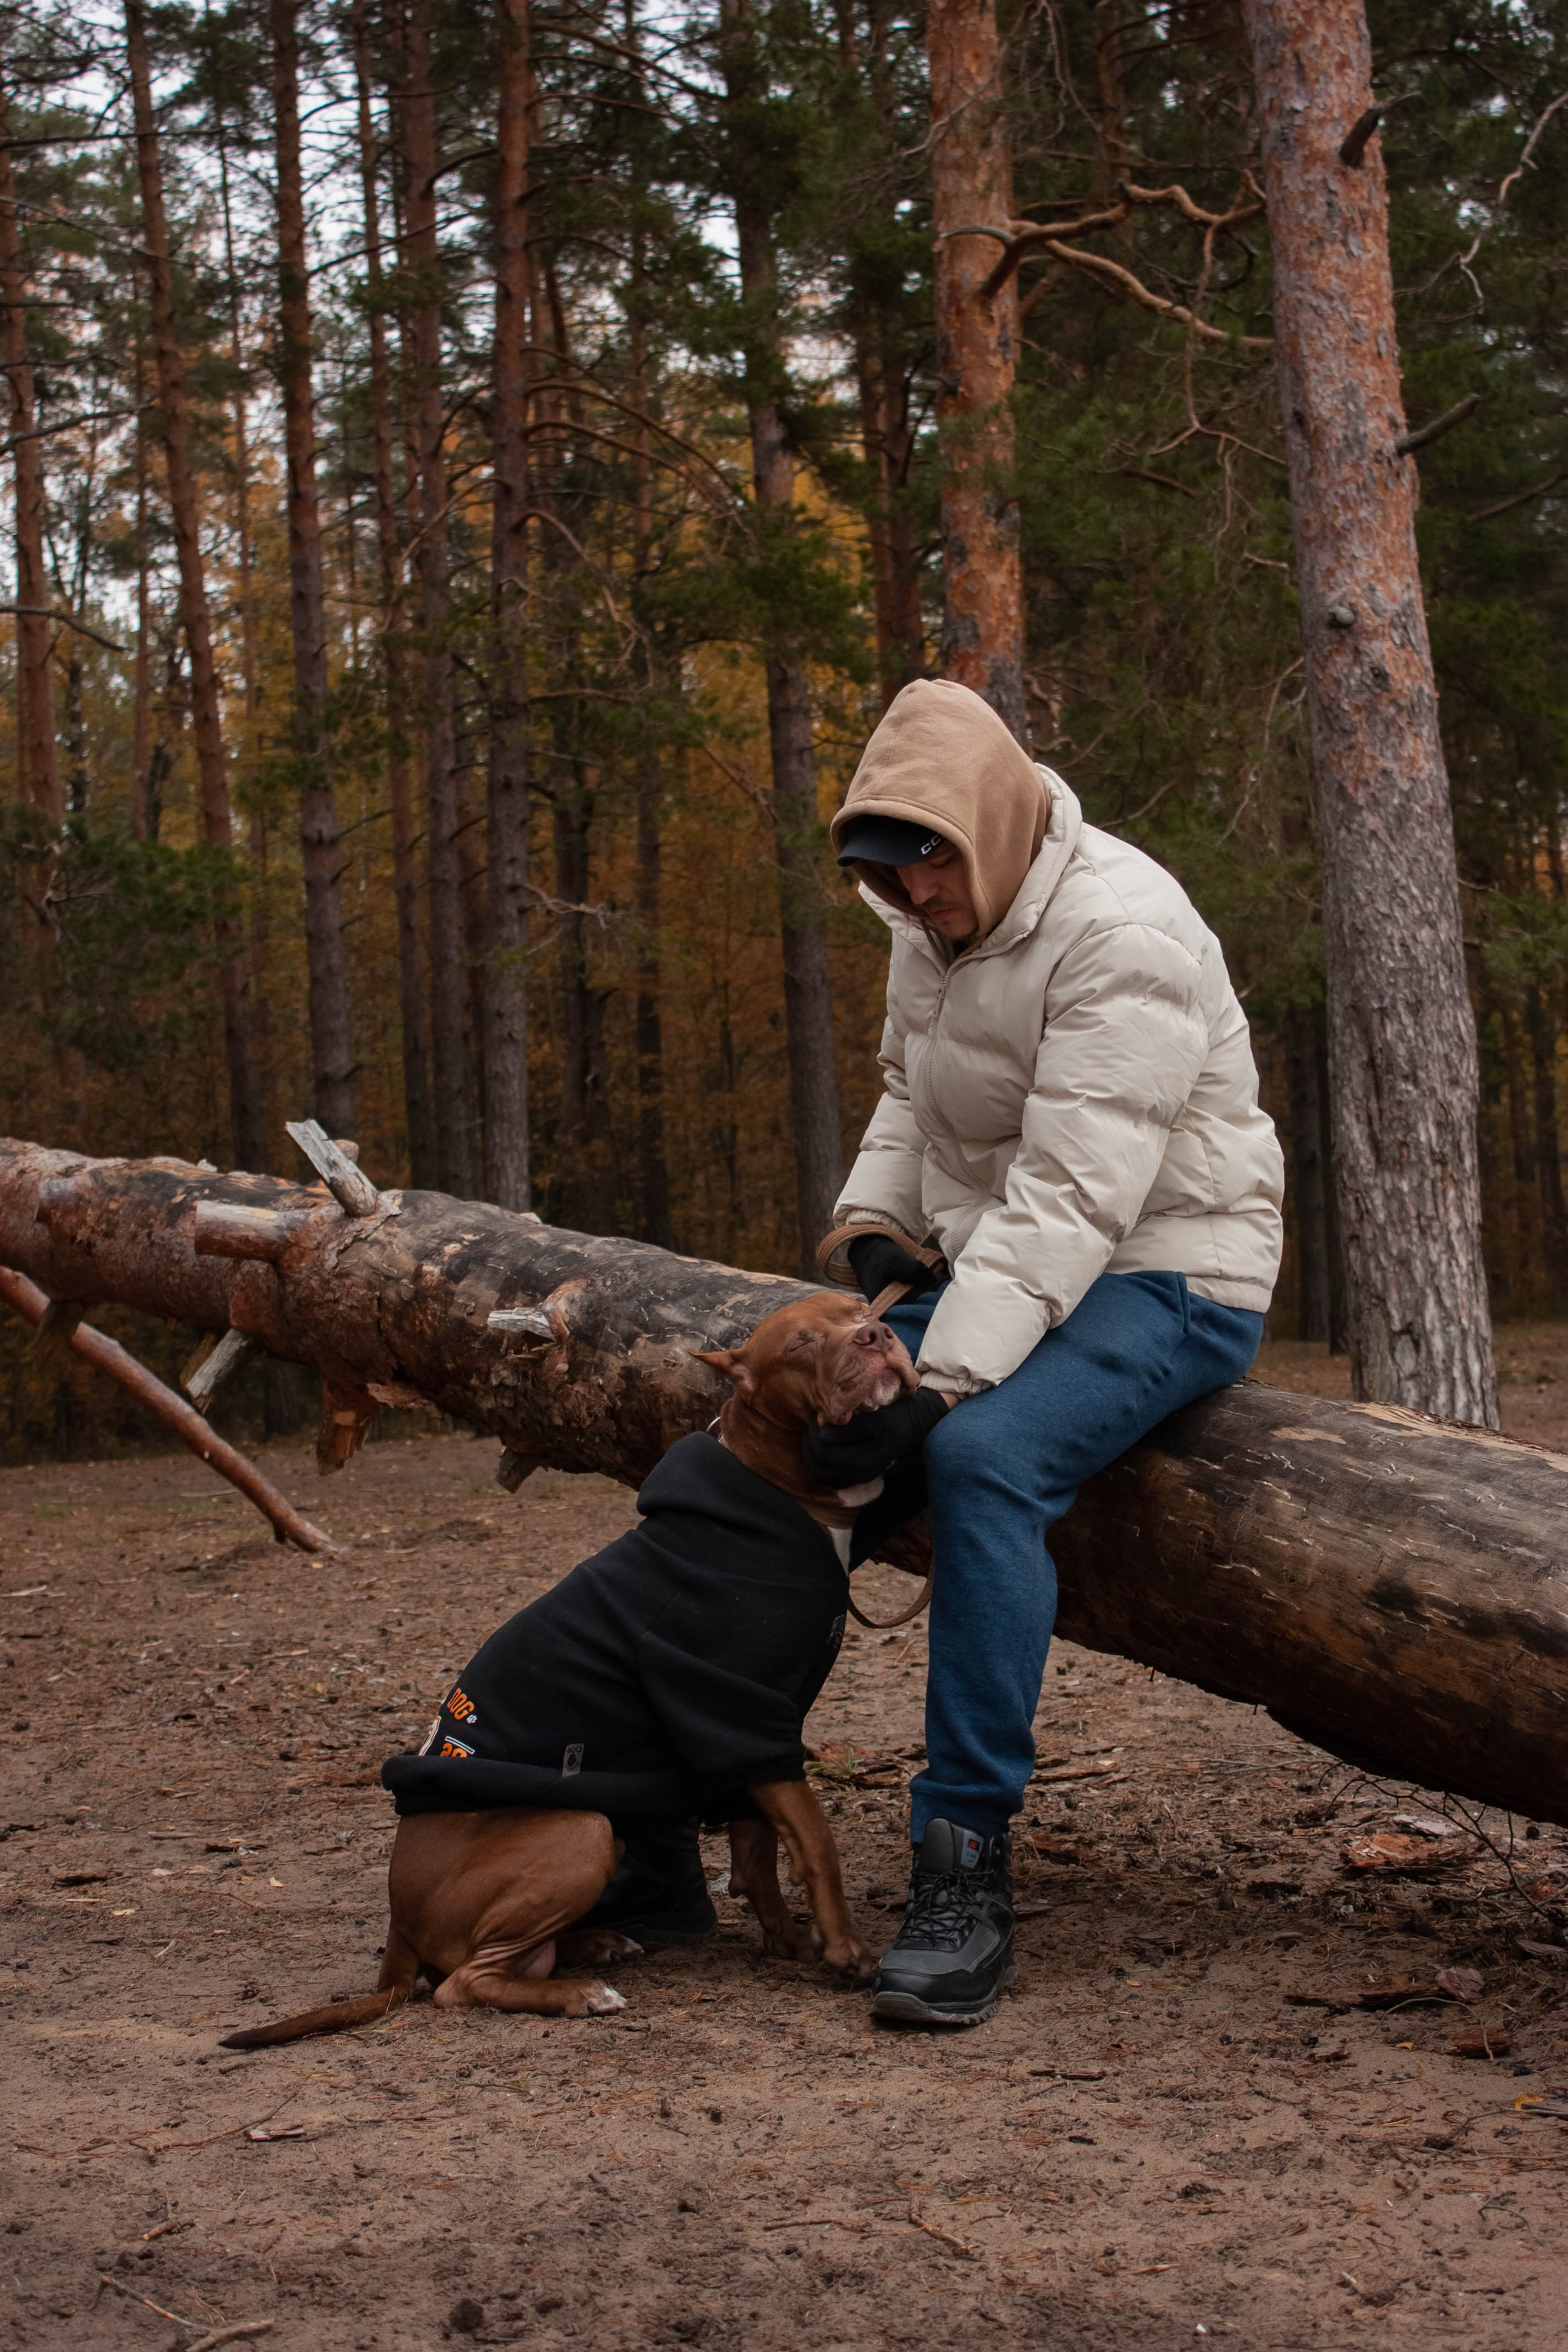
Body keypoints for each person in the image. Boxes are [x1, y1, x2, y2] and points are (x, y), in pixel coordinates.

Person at [807, 677, 1284, 2026]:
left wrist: (942, 1379)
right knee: (790, 1434)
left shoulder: (1117, 929)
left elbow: (1080, 1195)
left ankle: (961, 1867)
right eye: (888, 881)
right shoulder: (931, 920)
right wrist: (876, 1238)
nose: (912, 900)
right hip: (1010, 1258)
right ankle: (684, 1787)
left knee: (981, 1459)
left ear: (991, 823)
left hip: (1168, 1270)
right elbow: (910, 1089)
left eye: (930, 869)